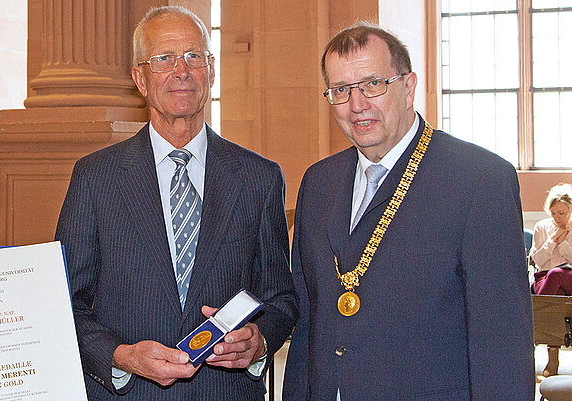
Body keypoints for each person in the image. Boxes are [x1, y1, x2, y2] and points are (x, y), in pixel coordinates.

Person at [55, 6, 296, 400]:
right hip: (131, 393)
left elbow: (279, 298)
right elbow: (65, 301)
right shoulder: (95, 178)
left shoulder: (259, 178)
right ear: (140, 79)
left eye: (193, 56)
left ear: (211, 70)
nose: (181, 71)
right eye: (163, 59)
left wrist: (259, 342)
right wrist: (121, 356)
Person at [283, 22, 533, 400]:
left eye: (372, 84)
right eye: (340, 90)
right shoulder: (319, 183)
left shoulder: (479, 180)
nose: (357, 104)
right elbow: (308, 323)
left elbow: (502, 343)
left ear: (408, 87)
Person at [531, 183, 572, 377]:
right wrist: (552, 241)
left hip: (567, 274)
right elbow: (537, 260)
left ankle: (538, 323)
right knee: (558, 293)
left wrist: (564, 241)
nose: (557, 218)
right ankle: (553, 355)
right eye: (554, 213)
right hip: (544, 276)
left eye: (562, 213)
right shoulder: (542, 227)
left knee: (557, 275)